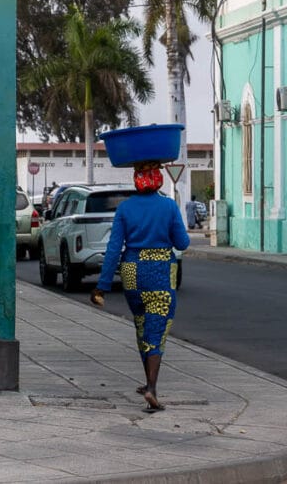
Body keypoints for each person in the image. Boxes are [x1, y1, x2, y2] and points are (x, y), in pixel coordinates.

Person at [90, 161, 190, 412]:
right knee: (158, 327)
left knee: (142, 323)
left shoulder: (125, 209)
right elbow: (183, 242)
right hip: (159, 271)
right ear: (157, 179)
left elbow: (114, 249)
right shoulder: (168, 206)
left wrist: (102, 286)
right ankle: (152, 389)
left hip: (131, 270)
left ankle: (147, 381)